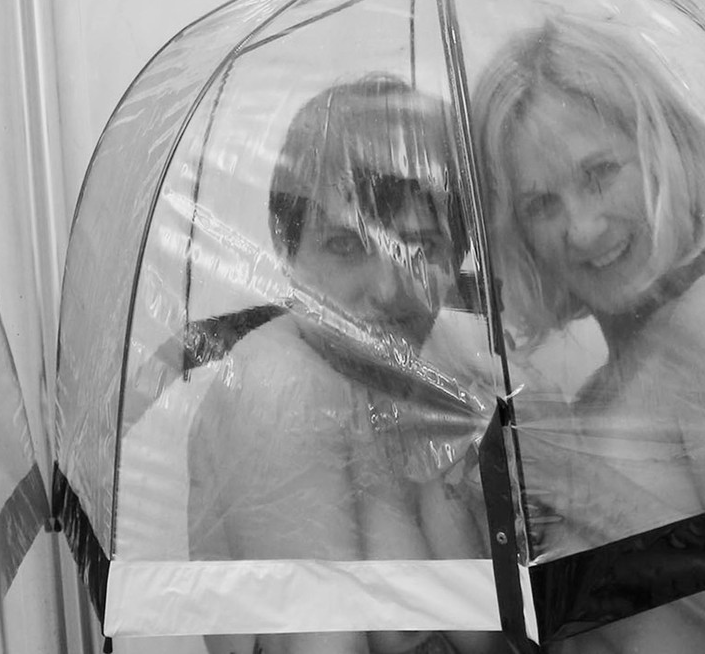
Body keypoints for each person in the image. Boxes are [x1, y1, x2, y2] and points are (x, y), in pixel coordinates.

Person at [471, 17, 705, 654]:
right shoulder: (602, 390)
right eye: (541, 204)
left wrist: (580, 488)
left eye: (599, 173)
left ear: (662, 152)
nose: (583, 228)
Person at [188, 75, 498, 654]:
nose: (388, 288)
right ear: (285, 246)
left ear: (457, 252)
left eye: (419, 247)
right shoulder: (281, 387)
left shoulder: (425, 379)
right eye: (346, 245)